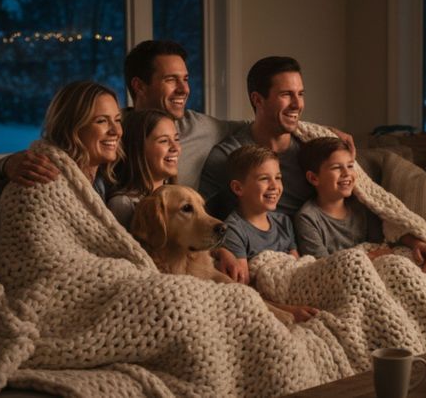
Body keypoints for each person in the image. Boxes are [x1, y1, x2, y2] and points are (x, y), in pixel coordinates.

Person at [0, 40, 244, 190]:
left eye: (186, 79)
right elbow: (55, 153)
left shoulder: (203, 127)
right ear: (139, 86)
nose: (184, 89)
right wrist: (7, 166)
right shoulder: (110, 130)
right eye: (171, 80)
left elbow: (258, 128)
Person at [295, 137, 426, 273]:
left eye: (350, 166)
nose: (347, 173)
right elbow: (322, 268)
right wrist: (369, 257)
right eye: (336, 167)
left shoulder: (361, 205)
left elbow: (387, 235)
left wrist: (416, 244)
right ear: (314, 178)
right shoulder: (308, 218)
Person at [199, 56, 317, 219]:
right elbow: (204, 219)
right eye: (286, 94)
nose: (297, 104)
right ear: (258, 100)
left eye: (300, 94)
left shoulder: (311, 150)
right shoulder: (228, 156)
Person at [217, 144, 319, 322]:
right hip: (275, 303)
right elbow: (244, 292)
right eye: (264, 178)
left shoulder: (283, 222)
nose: (274, 186)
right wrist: (289, 311)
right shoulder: (234, 229)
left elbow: (300, 269)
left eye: (278, 178)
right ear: (238, 188)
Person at [42, 80, 123, 198]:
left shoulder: (100, 181)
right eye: (101, 121)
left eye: (117, 120)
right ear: (71, 127)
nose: (116, 131)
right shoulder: (45, 185)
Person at [107, 109, 180, 228]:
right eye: (164, 141)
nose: (175, 147)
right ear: (138, 149)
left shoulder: (182, 198)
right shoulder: (123, 204)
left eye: (176, 139)